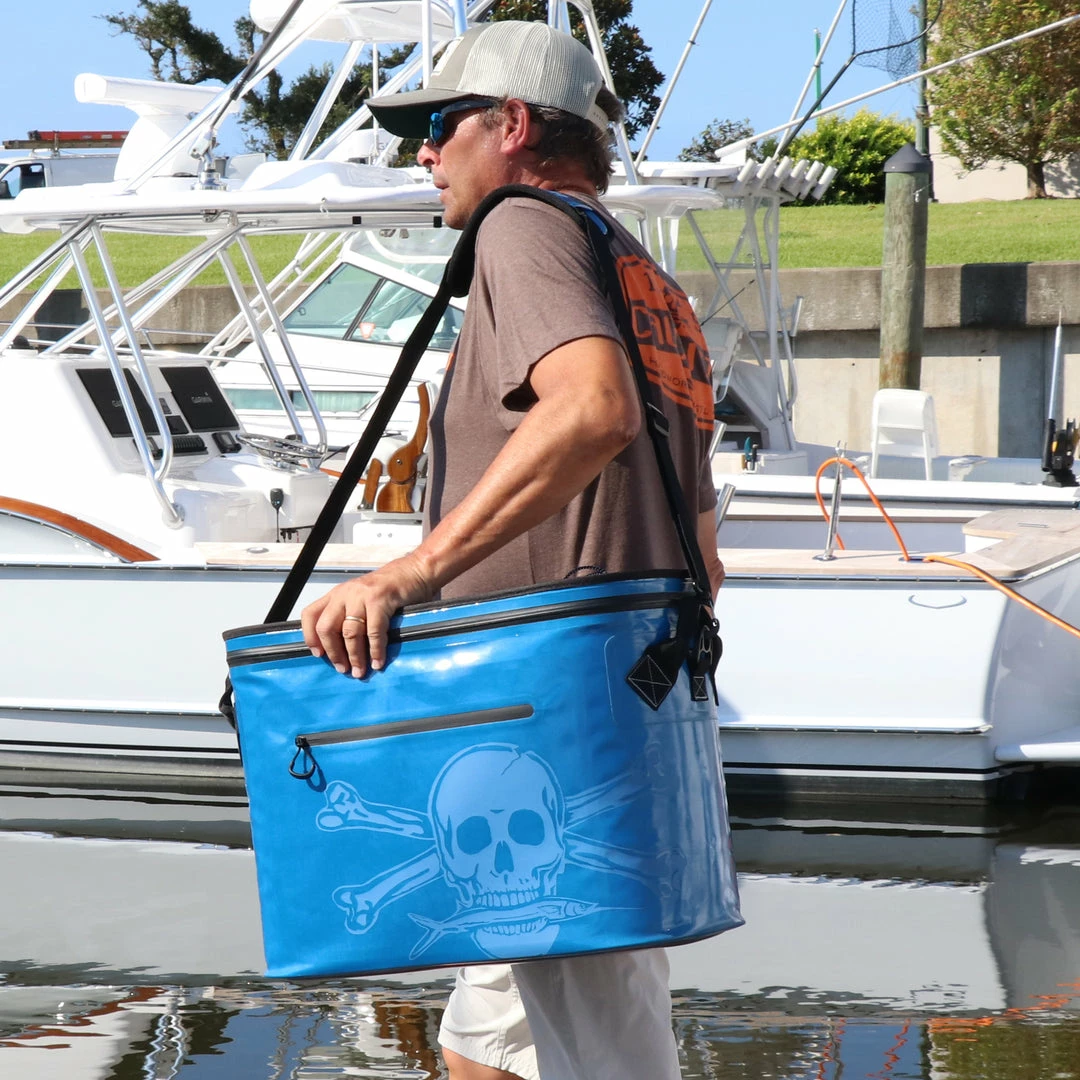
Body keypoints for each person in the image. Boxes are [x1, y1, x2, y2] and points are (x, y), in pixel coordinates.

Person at [301, 19, 724, 1080]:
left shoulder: (522, 224)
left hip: (541, 718)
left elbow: (590, 411)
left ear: (514, 125)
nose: (424, 153)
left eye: (442, 125)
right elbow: (704, 549)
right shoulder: (646, 278)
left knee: (604, 1048)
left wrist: (411, 572)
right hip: (598, 713)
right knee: (483, 1041)